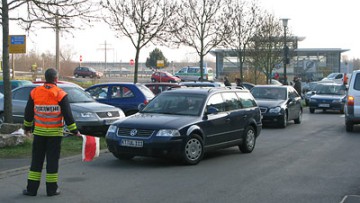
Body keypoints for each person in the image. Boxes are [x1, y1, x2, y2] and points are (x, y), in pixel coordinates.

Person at [23, 68, 80, 197]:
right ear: (56, 79)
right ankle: (51, 190)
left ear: (45, 78)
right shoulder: (60, 94)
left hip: (39, 134)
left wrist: (27, 128)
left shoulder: (35, 92)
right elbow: (68, 115)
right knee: (52, 162)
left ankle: (31, 190)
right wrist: (74, 131)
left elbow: (28, 113)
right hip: (55, 135)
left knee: (36, 162)